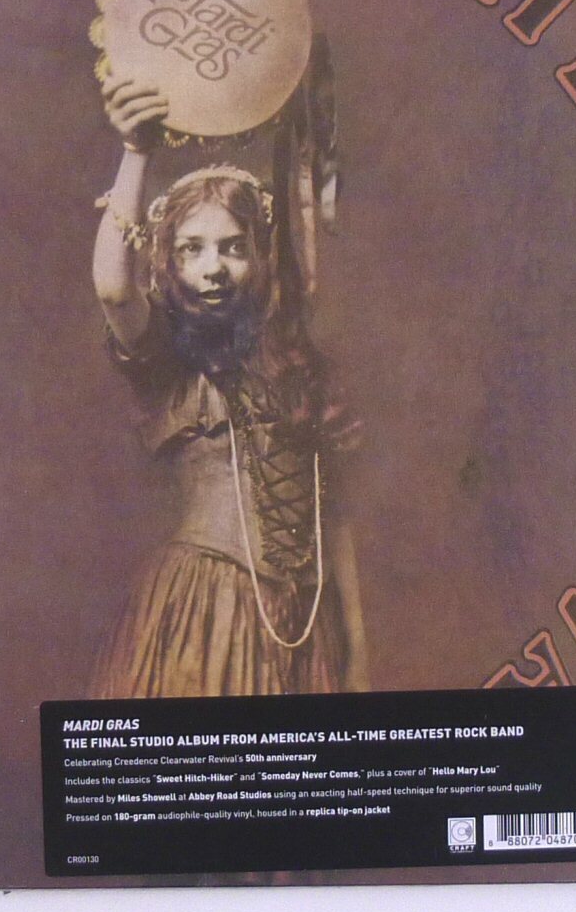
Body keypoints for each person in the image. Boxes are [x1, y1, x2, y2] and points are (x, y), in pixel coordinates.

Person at [90, 69, 368, 698]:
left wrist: (355, 657)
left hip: (304, 627)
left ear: (259, 257)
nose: (212, 267)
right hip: (200, 614)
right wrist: (136, 151)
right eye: (190, 249)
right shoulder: (167, 361)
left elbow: (334, 520)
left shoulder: (296, 370)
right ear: (167, 261)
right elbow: (113, 288)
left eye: (233, 248)